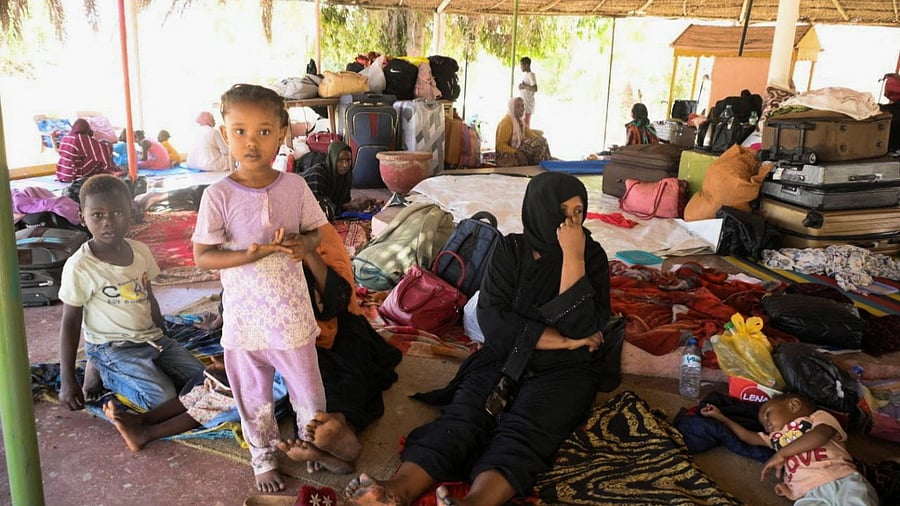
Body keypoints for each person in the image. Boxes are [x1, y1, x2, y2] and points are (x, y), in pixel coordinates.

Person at [346, 172, 623, 506]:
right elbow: (492, 319)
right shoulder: (511, 249)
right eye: (561, 212)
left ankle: (477, 501)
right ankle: (397, 489)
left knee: (527, 429)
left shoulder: (590, 257)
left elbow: (580, 326)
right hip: (504, 355)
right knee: (465, 415)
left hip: (565, 369)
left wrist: (572, 258)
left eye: (578, 212)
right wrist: (564, 340)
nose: (571, 223)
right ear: (539, 210)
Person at [103, 223, 402, 475]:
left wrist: (308, 250)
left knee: (326, 386)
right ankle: (146, 422)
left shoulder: (316, 236)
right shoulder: (251, 244)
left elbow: (337, 299)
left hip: (330, 335)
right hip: (274, 339)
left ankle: (333, 435)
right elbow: (238, 296)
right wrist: (228, 335)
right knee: (223, 376)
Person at [192, 83, 356, 493]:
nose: (252, 142)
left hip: (292, 317)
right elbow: (203, 256)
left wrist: (305, 245)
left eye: (264, 131)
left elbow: (317, 233)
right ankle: (263, 456)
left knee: (308, 390)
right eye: (240, 131)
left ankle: (310, 443)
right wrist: (245, 256)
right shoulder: (217, 195)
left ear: (282, 133)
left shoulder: (294, 187)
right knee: (253, 396)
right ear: (225, 134)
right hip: (245, 322)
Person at [58, 174, 205, 414]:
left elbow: (149, 297)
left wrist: (166, 339)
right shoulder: (81, 266)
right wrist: (67, 380)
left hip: (152, 339)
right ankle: (103, 369)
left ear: (132, 212)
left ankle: (126, 369)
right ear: (82, 218)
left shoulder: (140, 251)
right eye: (98, 215)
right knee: (165, 400)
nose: (108, 222)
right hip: (113, 347)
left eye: (118, 212)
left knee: (206, 382)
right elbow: (70, 322)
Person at [701, 393, 879, 504]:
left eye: (768, 414)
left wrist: (782, 453)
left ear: (794, 405)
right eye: (764, 424)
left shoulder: (816, 418)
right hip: (807, 492)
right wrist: (720, 417)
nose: (766, 424)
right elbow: (748, 437)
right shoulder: (775, 439)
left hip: (841, 478)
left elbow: (821, 435)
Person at [55, 118, 120, 183]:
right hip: (74, 173)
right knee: (99, 158)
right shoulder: (80, 138)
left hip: (63, 172)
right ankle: (111, 172)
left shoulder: (66, 137)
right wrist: (107, 144)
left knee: (92, 156)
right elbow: (101, 148)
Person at [300, 140, 354, 218]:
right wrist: (346, 207)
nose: (345, 164)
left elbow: (343, 203)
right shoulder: (318, 174)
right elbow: (318, 209)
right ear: (333, 159)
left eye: (348, 160)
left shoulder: (346, 176)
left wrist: (354, 205)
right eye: (340, 160)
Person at [494, 97, 552, 167]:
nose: (522, 108)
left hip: (516, 151)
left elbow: (532, 135)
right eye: (518, 106)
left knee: (542, 141)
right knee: (540, 142)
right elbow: (500, 146)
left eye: (522, 106)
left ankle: (545, 164)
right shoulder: (506, 122)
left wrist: (540, 137)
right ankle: (545, 164)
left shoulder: (520, 121)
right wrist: (516, 152)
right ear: (512, 108)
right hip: (506, 155)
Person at [517, 57, 538, 128]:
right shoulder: (527, 75)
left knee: (526, 127)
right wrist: (521, 87)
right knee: (523, 126)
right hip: (524, 103)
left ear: (527, 65)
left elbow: (535, 88)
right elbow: (526, 87)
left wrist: (524, 86)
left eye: (521, 65)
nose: (521, 67)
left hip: (528, 104)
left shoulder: (531, 75)